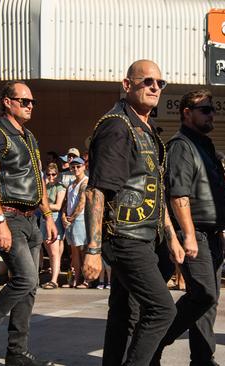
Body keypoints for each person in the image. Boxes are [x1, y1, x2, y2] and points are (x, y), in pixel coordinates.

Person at [83, 59, 183, 366]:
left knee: (125, 311)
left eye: (160, 83)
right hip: (125, 237)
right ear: (127, 85)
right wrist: (92, 249)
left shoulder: (143, 126)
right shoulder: (118, 126)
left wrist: (171, 237)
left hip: (143, 235)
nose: (155, 87)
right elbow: (97, 190)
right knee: (162, 309)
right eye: (147, 82)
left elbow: (155, 189)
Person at [0, 80, 58, 366]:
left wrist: (49, 215)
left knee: (30, 289)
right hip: (10, 216)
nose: (30, 106)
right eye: (24, 101)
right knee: (25, 279)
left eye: (33, 102)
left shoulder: (28, 136)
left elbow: (36, 180)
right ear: (7, 102)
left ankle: (17, 352)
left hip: (31, 220)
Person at [153, 89, 225, 366]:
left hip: (211, 234)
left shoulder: (205, 144)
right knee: (203, 294)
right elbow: (178, 194)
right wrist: (188, 234)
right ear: (187, 113)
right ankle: (153, 342)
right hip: (194, 232)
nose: (211, 114)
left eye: (212, 109)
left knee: (208, 303)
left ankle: (202, 358)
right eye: (205, 110)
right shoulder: (181, 145)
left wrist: (221, 232)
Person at [61, 157, 89, 288]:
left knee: (83, 250)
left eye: (78, 166)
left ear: (84, 167)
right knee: (74, 252)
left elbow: (82, 203)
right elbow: (66, 202)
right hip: (70, 220)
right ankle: (76, 279)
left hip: (80, 220)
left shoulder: (85, 182)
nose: (75, 169)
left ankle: (87, 280)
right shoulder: (71, 184)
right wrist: (63, 216)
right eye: (73, 167)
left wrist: (70, 218)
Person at [40, 163, 65, 290]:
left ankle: (54, 280)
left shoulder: (60, 187)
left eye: (53, 174)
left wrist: (43, 206)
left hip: (54, 219)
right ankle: (53, 278)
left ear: (58, 174)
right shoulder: (44, 187)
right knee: (49, 252)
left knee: (55, 253)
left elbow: (58, 206)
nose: (51, 177)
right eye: (48, 174)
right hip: (44, 219)